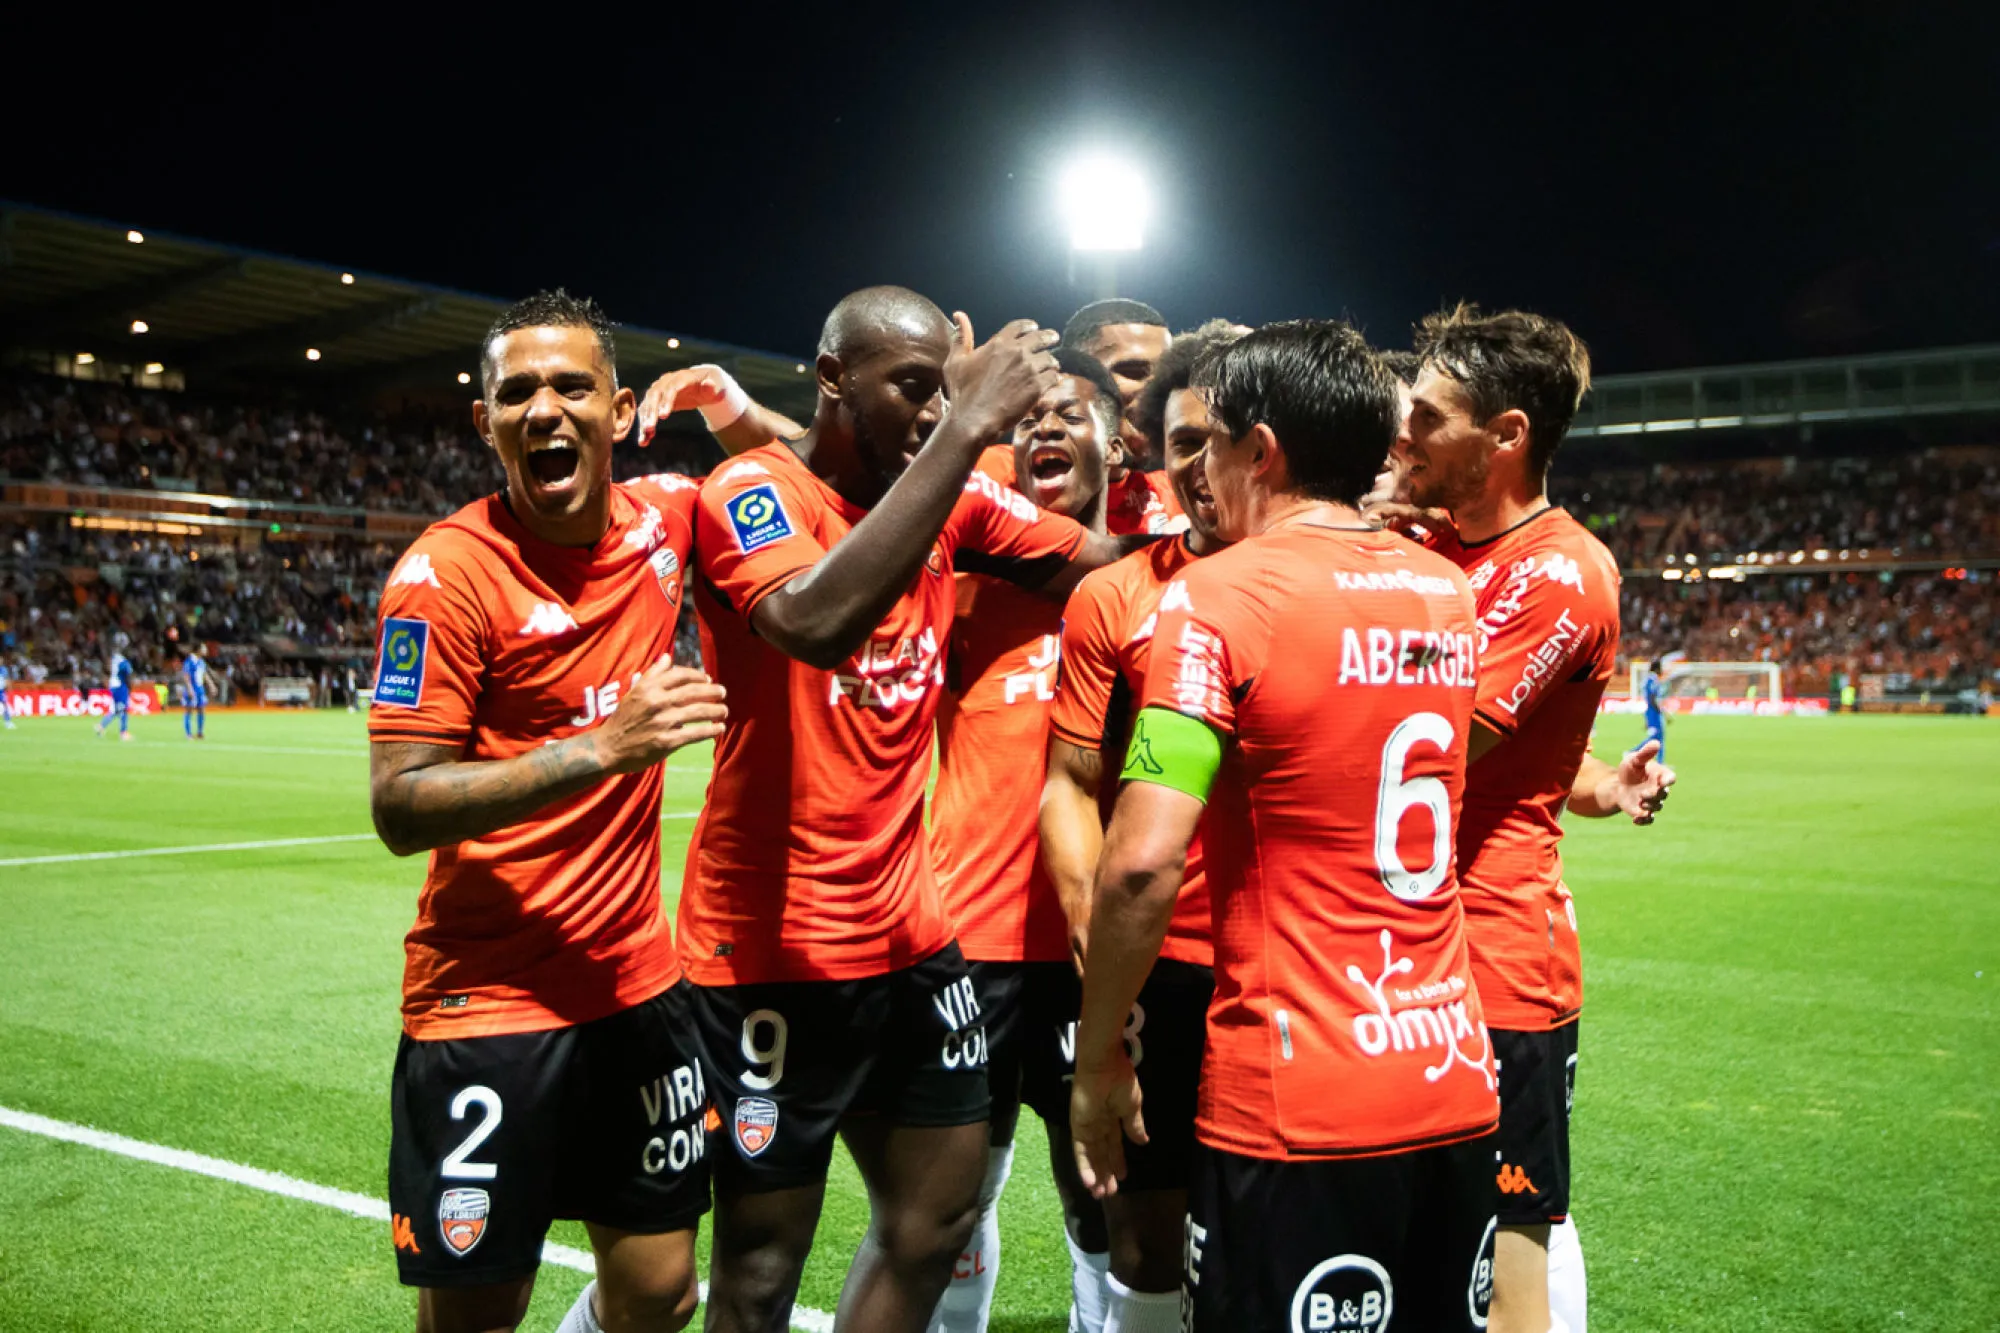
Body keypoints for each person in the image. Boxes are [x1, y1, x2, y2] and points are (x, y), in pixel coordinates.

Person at [682, 286, 1140, 1333]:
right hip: (772, 950)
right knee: (760, 1270)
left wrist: (1299, 523)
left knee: (936, 1220)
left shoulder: (950, 499)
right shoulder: (751, 488)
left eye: (945, 389)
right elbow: (812, 620)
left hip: (911, 938)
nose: (934, 410)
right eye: (912, 388)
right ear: (831, 377)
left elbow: (1103, 563)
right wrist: (968, 425)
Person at [1070, 320, 1499, 1330]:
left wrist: (1097, 1060)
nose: (1198, 468)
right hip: (1446, 1069)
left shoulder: (1215, 598)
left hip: (1296, 1095)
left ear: (1260, 451)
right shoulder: (1444, 591)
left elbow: (1140, 863)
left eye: (1213, 440)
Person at [366, 289, 731, 1333]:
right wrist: (602, 747)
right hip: (487, 1003)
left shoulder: (667, 517)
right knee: (481, 1312)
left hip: (635, 988)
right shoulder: (443, 575)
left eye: (572, 386)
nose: (544, 409)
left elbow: (811, 474)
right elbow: (400, 803)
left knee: (661, 1291)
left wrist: (737, 409)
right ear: (484, 421)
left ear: (620, 411)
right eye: (517, 391)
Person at [1393, 303, 1670, 1333]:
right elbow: (1536, 763)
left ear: (1506, 434)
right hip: (1405, 946)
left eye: (1428, 417)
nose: (1403, 434)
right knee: (1425, 1240)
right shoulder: (1435, 545)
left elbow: (1434, 745)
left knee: (1508, 1255)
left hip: (1496, 963)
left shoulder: (1556, 571)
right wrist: (1602, 785)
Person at [1036, 320, 1242, 1333]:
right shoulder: (1114, 595)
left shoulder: (1333, 582)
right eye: (1182, 442)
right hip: (1160, 963)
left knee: (1265, 1233)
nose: (1200, 466)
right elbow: (1069, 784)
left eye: (1223, 439)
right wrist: (1094, 934)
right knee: (1146, 1238)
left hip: (1288, 961)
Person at [924, 347, 1128, 1333]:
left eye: (1070, 413)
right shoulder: (961, 583)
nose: (1043, 428)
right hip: (972, 939)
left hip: (1100, 943)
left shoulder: (1156, 583)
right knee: (954, 1195)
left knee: (1104, 1185)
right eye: (1026, 418)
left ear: (1116, 444)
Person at [1063, 299, 1181, 532]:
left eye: (1164, 378)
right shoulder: (1003, 479)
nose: (1157, 393)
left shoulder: (1184, 494)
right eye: (1133, 372)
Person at [94, 649, 135, 741]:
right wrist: (129, 688)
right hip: (120, 686)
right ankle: (123, 732)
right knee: (123, 709)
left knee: (117, 710)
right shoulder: (124, 662)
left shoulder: (115, 659)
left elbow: (107, 670)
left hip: (113, 686)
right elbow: (127, 676)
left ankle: (101, 726)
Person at [182, 645, 209, 740]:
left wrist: (211, 685)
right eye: (204, 648)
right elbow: (186, 676)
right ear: (198, 650)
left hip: (200, 689)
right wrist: (190, 689)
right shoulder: (189, 661)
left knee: (201, 709)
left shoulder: (201, 662)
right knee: (189, 710)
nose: (206, 650)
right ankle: (188, 733)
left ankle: (200, 732)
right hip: (192, 688)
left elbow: (204, 674)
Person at [1642, 657, 1668, 758]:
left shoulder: (1650, 679)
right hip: (1653, 712)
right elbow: (1652, 698)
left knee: (1659, 737)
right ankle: (1633, 752)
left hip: (1652, 711)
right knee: (1655, 737)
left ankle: (1660, 762)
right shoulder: (1652, 680)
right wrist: (1659, 711)